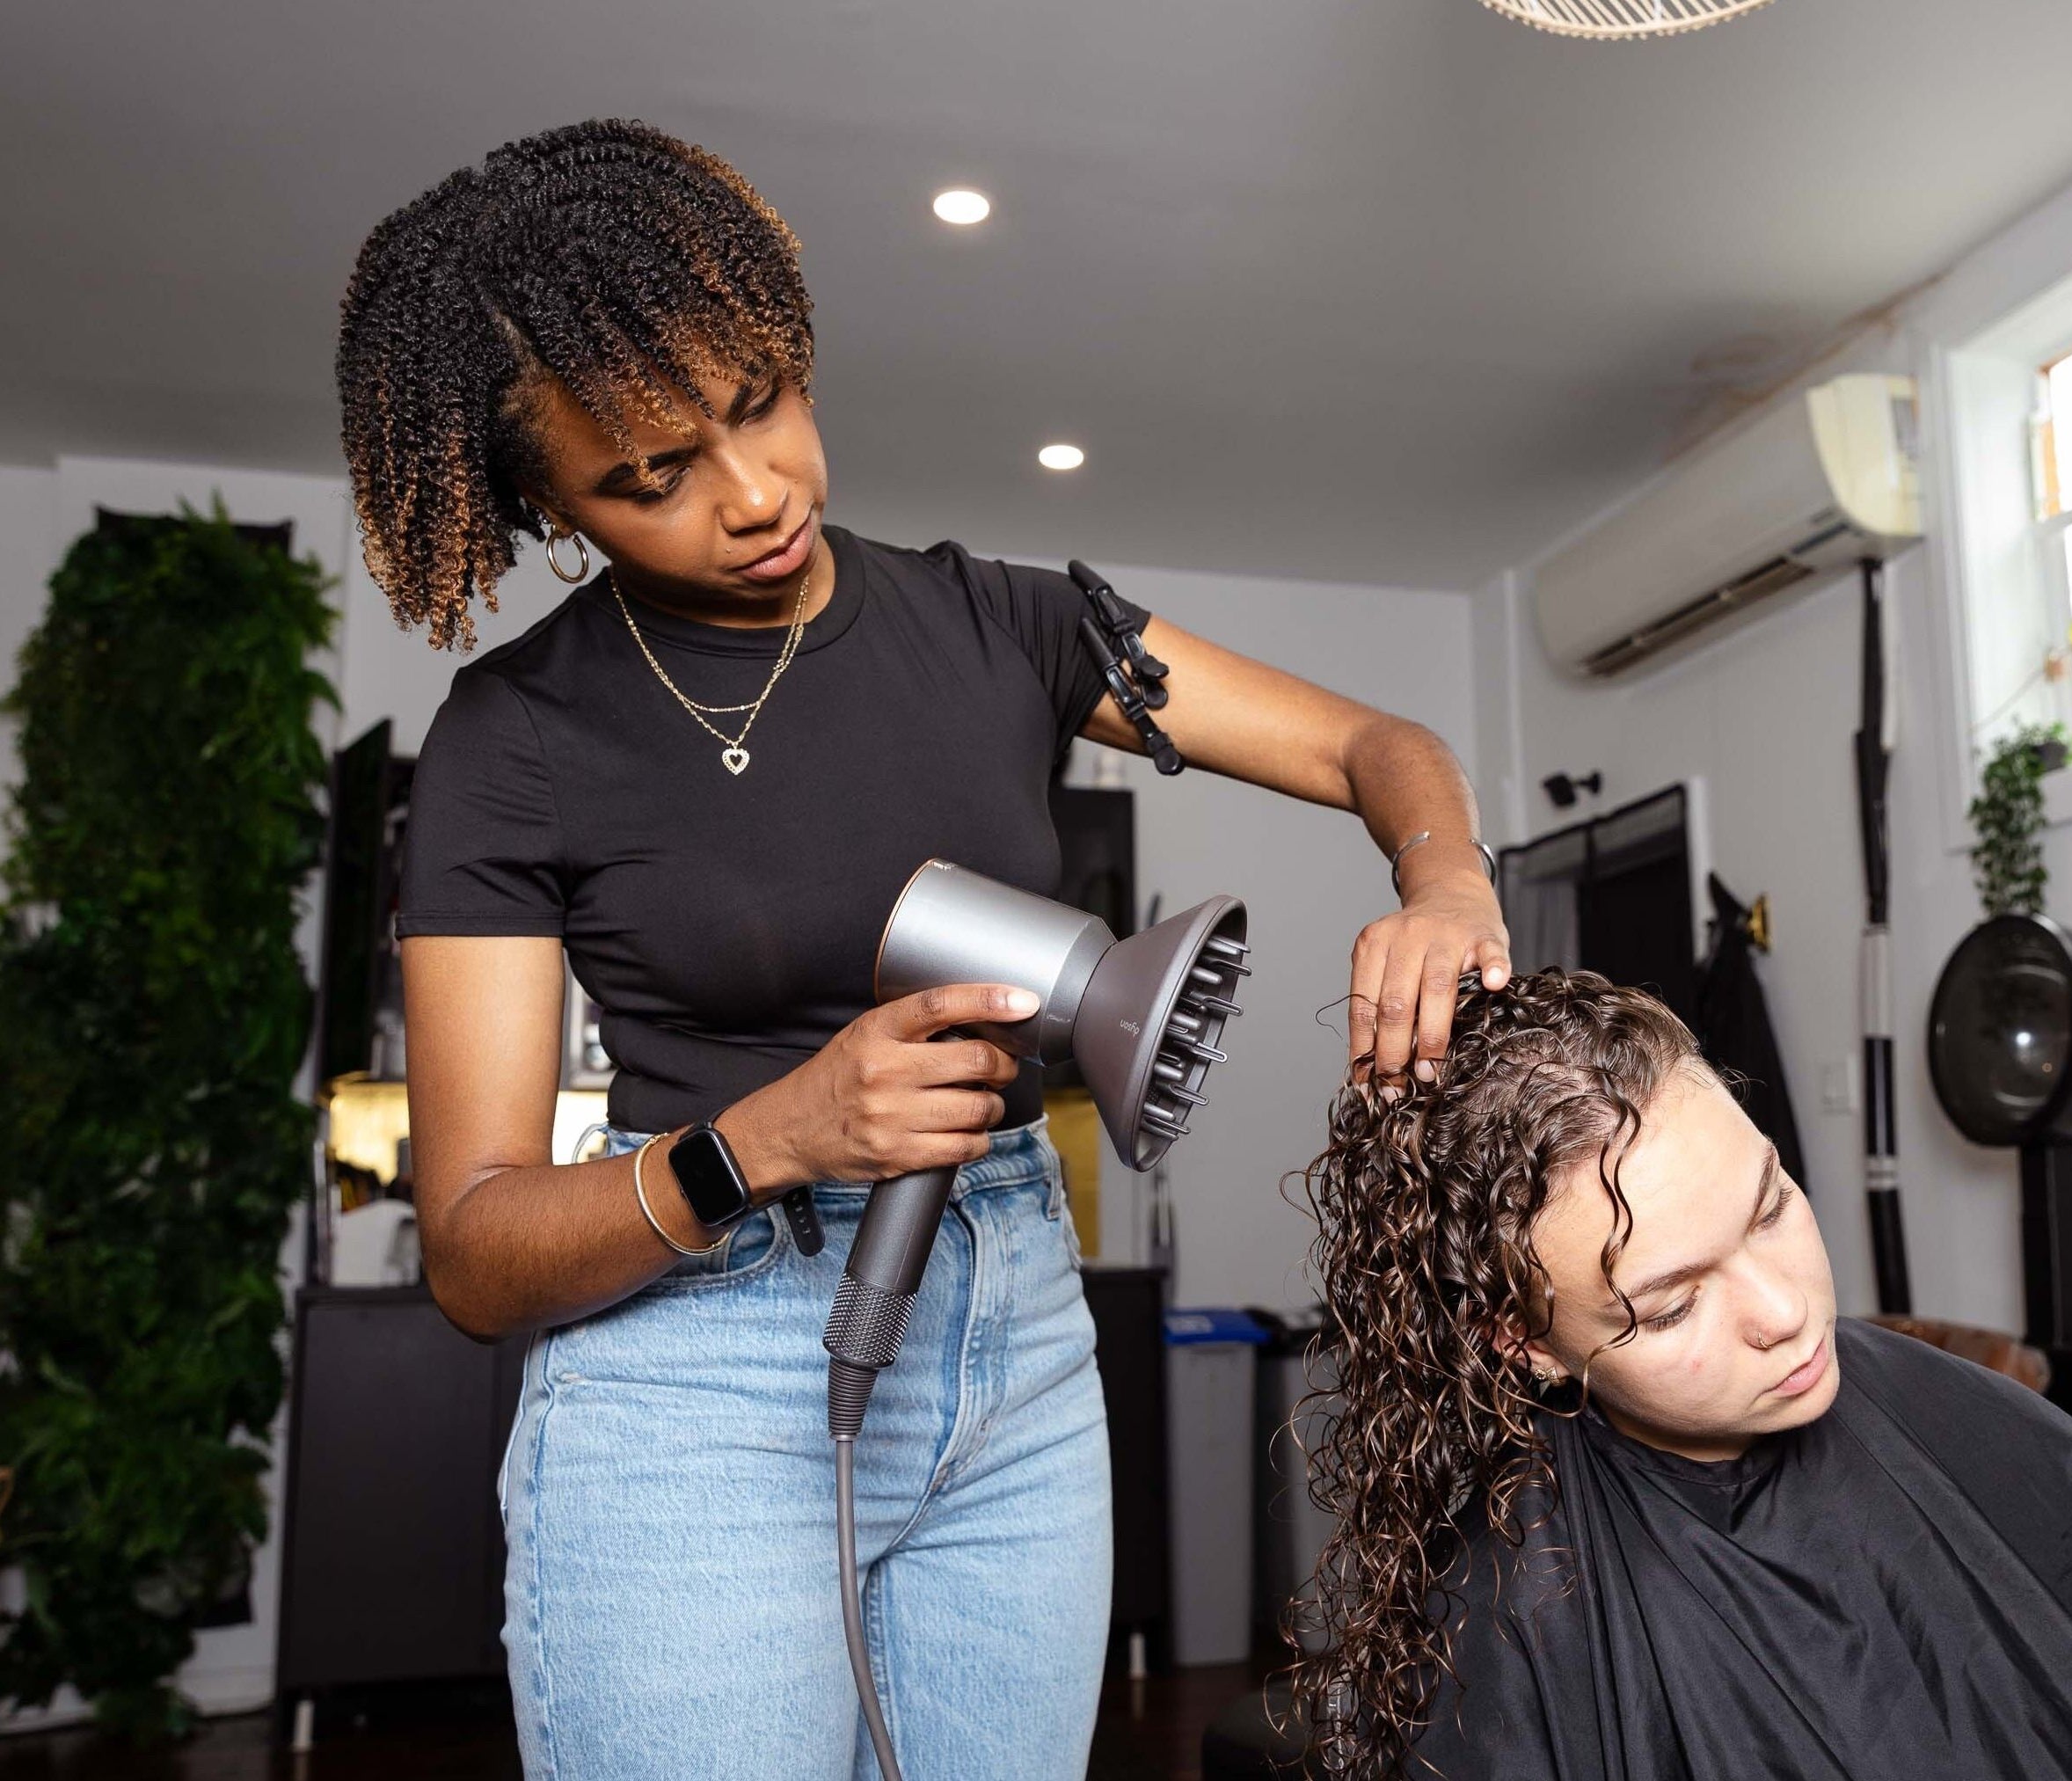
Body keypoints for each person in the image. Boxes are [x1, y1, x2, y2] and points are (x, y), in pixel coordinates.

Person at [335, 118, 1509, 1781]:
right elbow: (469, 1250)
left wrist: (1446, 879)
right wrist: (773, 1139)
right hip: (699, 1385)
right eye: (648, 478)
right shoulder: (513, 741)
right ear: (546, 506)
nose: (753, 497)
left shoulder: (1004, 625)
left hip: (1016, 1333)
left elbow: (1369, 746)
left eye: (758, 404)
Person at [1292, 971, 2072, 1781]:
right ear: (1520, 1342)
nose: (1786, 1310)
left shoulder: (1956, 1419)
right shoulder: (1511, 1619)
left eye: (1770, 1205)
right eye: (1671, 1304)